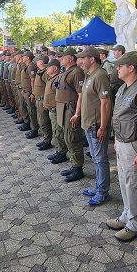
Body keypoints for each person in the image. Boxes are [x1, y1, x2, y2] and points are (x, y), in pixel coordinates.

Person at [107, 51, 137, 242]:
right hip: (123, 142)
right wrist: (117, 139)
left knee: (135, 184)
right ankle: (127, 215)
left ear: (131, 68)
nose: (117, 69)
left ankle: (136, 224)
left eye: (121, 65)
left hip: (136, 144)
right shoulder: (124, 88)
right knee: (124, 182)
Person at [76, 47, 112, 205]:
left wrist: (103, 127)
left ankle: (103, 191)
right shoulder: (90, 75)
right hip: (89, 124)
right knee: (96, 159)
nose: (80, 61)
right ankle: (99, 186)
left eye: (83, 58)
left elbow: (106, 104)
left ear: (92, 59)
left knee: (100, 159)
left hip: (97, 125)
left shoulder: (100, 75)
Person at [49, 47, 86, 181]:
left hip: (70, 108)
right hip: (63, 108)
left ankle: (78, 168)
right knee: (66, 136)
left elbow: (81, 95)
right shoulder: (67, 71)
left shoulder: (76, 72)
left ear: (70, 58)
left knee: (72, 138)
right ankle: (73, 163)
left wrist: (77, 114)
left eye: (63, 57)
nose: (60, 59)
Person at [40, 59, 61, 151]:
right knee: (54, 129)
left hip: (55, 109)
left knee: (58, 131)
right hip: (50, 109)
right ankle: (58, 149)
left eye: (48, 67)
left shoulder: (58, 79)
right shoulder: (51, 78)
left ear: (55, 68)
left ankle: (60, 151)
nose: (46, 69)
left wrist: (52, 105)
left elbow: (60, 96)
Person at [33, 55, 53, 148]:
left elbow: (48, 88)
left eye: (37, 61)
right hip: (38, 99)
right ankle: (45, 138)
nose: (36, 62)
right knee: (41, 119)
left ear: (41, 62)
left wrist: (46, 101)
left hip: (42, 100)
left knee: (44, 121)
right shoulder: (40, 72)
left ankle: (47, 140)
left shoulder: (45, 73)